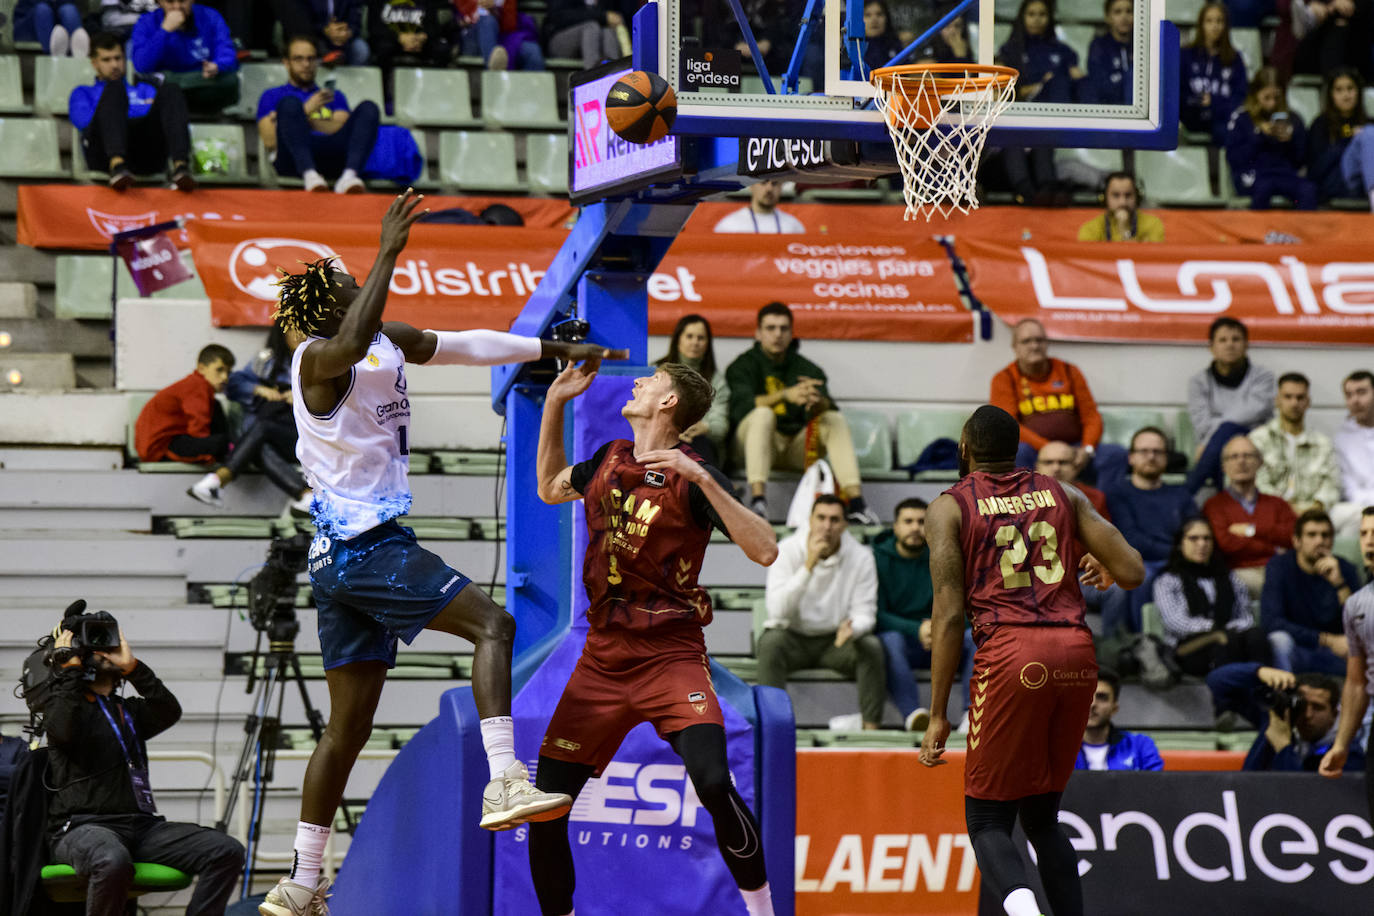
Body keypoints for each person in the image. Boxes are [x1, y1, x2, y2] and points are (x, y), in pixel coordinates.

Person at [257, 190, 616, 915]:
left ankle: (302, 879)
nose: (363, 282)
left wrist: (550, 349)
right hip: (364, 548)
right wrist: (390, 245)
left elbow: (459, 342)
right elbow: (353, 341)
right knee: (495, 625)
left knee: (348, 728)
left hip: (341, 561)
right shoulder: (316, 360)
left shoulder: (379, 337)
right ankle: (504, 778)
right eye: (352, 282)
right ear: (326, 307)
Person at [530, 358, 779, 916]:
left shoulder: (693, 476)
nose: (638, 382)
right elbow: (549, 488)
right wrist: (553, 404)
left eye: (653, 381)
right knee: (546, 805)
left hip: (671, 655)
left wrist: (707, 481)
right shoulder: (608, 458)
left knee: (714, 782)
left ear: (668, 404)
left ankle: (762, 911)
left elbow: (765, 549)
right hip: (603, 658)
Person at [919, 404, 1144, 916]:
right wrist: (1099, 563)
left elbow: (950, 617)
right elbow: (1131, 571)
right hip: (1076, 654)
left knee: (987, 821)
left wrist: (937, 714)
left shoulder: (949, 507)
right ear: (1017, 447)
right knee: (1042, 819)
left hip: (1013, 655)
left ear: (964, 448)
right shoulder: (1062, 492)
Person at [37, 610, 246, 916]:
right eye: (96, 645)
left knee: (227, 851)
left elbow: (169, 710)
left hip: (141, 828)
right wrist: (68, 667)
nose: (106, 650)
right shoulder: (65, 707)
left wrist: (133, 668)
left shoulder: (130, 711)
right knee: (111, 860)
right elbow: (63, 732)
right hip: (82, 828)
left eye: (107, 642)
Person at [726, 302, 877, 524]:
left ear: (792, 332)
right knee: (762, 414)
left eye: (783, 328)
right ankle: (758, 500)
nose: (777, 334)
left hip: (795, 448)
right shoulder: (742, 365)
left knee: (832, 419)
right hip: (753, 447)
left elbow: (828, 407)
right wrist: (785, 395)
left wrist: (816, 402)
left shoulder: (807, 368)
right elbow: (741, 408)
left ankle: (857, 504)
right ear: (758, 333)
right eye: (770, 328)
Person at [758, 495, 885, 730]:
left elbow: (865, 611)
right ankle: (772, 727)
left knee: (871, 647)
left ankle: (871, 730)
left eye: (835, 520)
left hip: (835, 641)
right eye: (821, 518)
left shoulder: (861, 556)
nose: (827, 526)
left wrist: (853, 629)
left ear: (845, 524)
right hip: (793, 637)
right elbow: (777, 611)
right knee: (769, 643)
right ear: (810, 520)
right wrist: (809, 566)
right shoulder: (786, 550)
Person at [200, 324, 312, 516]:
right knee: (257, 445)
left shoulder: (324, 359)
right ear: (282, 332)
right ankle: (306, 496)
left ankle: (218, 479)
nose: (300, 334)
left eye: (306, 327)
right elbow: (233, 384)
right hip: (277, 438)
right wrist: (259, 390)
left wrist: (303, 397)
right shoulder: (267, 361)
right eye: (293, 328)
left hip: (309, 439)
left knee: (262, 428)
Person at [988, 318, 1119, 482]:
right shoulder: (1004, 378)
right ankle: (1030, 507)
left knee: (1116, 454)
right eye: (1026, 341)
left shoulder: (1069, 371)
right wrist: (1048, 448)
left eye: (1039, 340)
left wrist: (1087, 448)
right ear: (1015, 347)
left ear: (1047, 343)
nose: (1034, 346)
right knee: (1017, 453)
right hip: (1034, 450)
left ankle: (1098, 506)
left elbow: (1091, 416)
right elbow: (1008, 427)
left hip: (1075, 448)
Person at [70, 31, 195, 192]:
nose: (114, 65)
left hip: (144, 154)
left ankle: (181, 167)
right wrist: (132, 108)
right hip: (103, 156)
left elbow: (166, 120)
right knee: (114, 88)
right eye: (106, 60)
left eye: (118, 58)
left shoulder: (145, 89)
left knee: (171, 90)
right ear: (94, 64)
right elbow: (84, 123)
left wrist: (126, 111)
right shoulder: (83, 93)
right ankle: (117, 165)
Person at [257, 36, 381, 194]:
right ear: (286, 63)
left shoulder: (332, 95)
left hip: (332, 156)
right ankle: (309, 174)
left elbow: (343, 130)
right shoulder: (272, 96)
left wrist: (297, 121)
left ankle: (349, 176)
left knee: (369, 108)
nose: (306, 64)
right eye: (298, 59)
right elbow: (269, 139)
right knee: (289, 104)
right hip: (292, 160)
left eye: (311, 59)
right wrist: (307, 109)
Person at [1104, 427, 1196, 635]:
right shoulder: (1118, 494)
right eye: (1144, 451)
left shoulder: (1180, 494)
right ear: (1131, 458)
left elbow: (1195, 529)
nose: (1151, 457)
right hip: (1143, 562)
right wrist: (1179, 552)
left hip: (1178, 560)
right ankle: (1144, 642)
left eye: (1158, 452)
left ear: (1166, 458)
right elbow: (1132, 540)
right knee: (1141, 575)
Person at [1153, 516, 1268, 676]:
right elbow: (1176, 623)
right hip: (1188, 646)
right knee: (1225, 640)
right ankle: (1226, 692)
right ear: (1180, 544)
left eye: (1207, 538)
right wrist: (1215, 627)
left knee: (1257, 637)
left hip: (1229, 635)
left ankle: (1263, 688)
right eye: (1194, 538)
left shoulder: (1228, 577)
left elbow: (1245, 615)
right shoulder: (1168, 580)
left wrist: (1230, 629)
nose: (1202, 544)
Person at [995, 0, 1083, 205]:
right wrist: (1029, 89)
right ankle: (1026, 190)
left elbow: (1078, 87)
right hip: (1012, 122)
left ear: (1049, 18)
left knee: (1043, 140)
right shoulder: (1008, 51)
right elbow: (999, 93)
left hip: (1049, 124)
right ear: (1022, 17)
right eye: (1031, 14)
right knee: (1013, 141)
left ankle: (1046, 188)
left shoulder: (1064, 52)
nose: (1036, 19)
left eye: (1042, 14)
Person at [1319, 507, 1374, 819]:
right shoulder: (1356, 605)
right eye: (1364, 533)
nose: (1369, 541)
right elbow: (1356, 682)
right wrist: (1341, 743)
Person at [1263, 508, 1361, 676]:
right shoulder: (1279, 567)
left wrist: (1339, 584)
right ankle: (1286, 698)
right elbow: (1272, 622)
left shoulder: (1345, 569)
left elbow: (1360, 624)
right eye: (1311, 535)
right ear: (1296, 541)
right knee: (1278, 640)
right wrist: (1326, 640)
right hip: (1298, 648)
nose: (1319, 541)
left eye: (1325, 535)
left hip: (1336, 654)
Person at [1185, 316, 1276, 493]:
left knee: (1226, 433)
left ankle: (1188, 492)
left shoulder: (1264, 377)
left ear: (1246, 344)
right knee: (1225, 441)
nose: (1230, 345)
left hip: (1256, 442)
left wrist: (1216, 433)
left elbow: (1254, 413)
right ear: (1211, 347)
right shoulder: (1198, 382)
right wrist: (1220, 433)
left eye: (1236, 339)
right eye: (1223, 340)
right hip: (1219, 448)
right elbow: (1202, 424)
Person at [1201, 434, 1297, 596]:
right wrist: (1273, 547)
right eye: (1234, 456)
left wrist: (1250, 531)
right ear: (1224, 466)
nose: (1241, 461)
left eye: (1248, 456)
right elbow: (1226, 544)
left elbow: (1293, 537)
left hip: (1279, 570)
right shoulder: (1214, 505)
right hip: (1238, 572)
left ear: (1259, 462)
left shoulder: (1278, 504)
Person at [1249, 371, 1345, 522]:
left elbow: (1332, 484)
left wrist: (1316, 507)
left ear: (1308, 402)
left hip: (1314, 512)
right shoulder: (1259, 439)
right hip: (1272, 511)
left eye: (1300, 398)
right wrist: (1288, 509)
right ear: (1277, 400)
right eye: (1288, 397)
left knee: (1354, 514)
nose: (1294, 403)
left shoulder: (1322, 443)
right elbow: (1258, 483)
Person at [1224, 66, 1318, 211]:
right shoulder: (1241, 119)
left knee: (1308, 191)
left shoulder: (1293, 119)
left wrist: (1290, 140)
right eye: (1266, 98)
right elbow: (1234, 158)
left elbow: (1300, 160)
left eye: (1277, 97)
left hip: (1284, 174)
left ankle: (1302, 233)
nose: (1272, 103)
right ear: (1255, 94)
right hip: (1253, 175)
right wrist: (1259, 136)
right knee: (1263, 189)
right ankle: (1257, 233)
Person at [129, 0, 239, 117]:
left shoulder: (210, 16)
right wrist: (164, 30)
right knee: (155, 84)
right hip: (166, 86)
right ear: (159, 2)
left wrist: (217, 66)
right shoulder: (146, 22)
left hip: (203, 83)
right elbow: (142, 65)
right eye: (170, 1)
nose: (177, 7)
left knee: (230, 80)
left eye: (182, 1)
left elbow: (227, 52)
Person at [134, 343, 235, 466]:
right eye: (219, 370)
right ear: (201, 368)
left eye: (228, 372)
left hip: (163, 444)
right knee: (223, 442)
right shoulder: (197, 386)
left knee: (216, 408)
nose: (225, 378)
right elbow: (198, 425)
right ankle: (232, 455)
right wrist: (208, 452)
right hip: (162, 448)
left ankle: (230, 452)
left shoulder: (197, 386)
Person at [1243, 670, 1365, 772]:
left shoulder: (1347, 753)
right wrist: (1259, 671)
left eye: (1318, 707)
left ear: (1334, 714)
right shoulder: (1283, 732)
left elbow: (1302, 795)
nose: (1308, 715)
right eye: (1302, 706)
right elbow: (1245, 782)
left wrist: (1284, 748)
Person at [654, 314, 729, 467]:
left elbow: (721, 426)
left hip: (701, 440)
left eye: (701, 338)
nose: (695, 342)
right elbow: (649, 413)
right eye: (689, 336)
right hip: (661, 439)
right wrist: (674, 430)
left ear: (708, 343)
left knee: (697, 444)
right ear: (678, 339)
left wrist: (705, 427)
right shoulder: (657, 372)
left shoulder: (717, 380)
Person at [1180, 1, 1249, 146]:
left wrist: (1214, 102)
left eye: (1219, 21)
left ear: (1226, 26)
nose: (1215, 26)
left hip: (1222, 120)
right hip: (1191, 117)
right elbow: (1178, 93)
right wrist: (1196, 101)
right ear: (1201, 24)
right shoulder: (1186, 55)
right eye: (1209, 21)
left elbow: (1240, 98)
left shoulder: (1234, 59)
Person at [1075, 669, 1163, 771]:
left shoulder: (1140, 746)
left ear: (1114, 708)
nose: (1092, 704)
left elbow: (1157, 785)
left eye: (1102, 697)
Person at [1306, 67, 1371, 204]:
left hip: (1363, 180)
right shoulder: (1321, 124)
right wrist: (1348, 140)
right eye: (1339, 90)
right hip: (1336, 182)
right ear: (1331, 94)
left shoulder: (1367, 122)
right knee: (1368, 135)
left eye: (1350, 88)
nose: (1346, 95)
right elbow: (1315, 171)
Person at [1290, 0, 1374, 81]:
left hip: (1355, 49)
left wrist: (1331, 8)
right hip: (1320, 49)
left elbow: (1350, 8)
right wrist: (1329, 7)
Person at [455, 0, 545, 71]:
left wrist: (495, 9)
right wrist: (482, 9)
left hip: (503, 36)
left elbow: (510, 24)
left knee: (532, 51)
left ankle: (531, 93)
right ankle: (494, 69)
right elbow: (463, 14)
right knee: (487, 21)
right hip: (473, 38)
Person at [369, 0, 455, 74]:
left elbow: (433, 26)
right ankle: (385, 90)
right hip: (390, 39)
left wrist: (423, 36)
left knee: (442, 49)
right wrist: (398, 37)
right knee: (383, 48)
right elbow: (374, 27)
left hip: (419, 41)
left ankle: (433, 87)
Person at [1075, 171, 1164, 242]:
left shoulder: (1153, 224)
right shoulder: (1090, 229)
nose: (1123, 202)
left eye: (1128, 195)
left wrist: (1124, 231)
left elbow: (1151, 259)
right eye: (1116, 195)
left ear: (1138, 197)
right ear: (1104, 198)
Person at [1336, 370, 1374, 534]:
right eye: (1349, 395)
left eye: (1361, 392)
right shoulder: (1340, 440)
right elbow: (1348, 489)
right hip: (1361, 509)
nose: (1355, 401)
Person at [541, 0, 630, 70]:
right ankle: (592, 77)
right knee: (591, 27)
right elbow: (559, 18)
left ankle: (614, 76)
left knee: (608, 31)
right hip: (559, 42)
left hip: (592, 41)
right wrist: (602, 16)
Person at [276, 0, 369, 65]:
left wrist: (348, 32)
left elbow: (356, 20)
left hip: (343, 38)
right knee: (308, 48)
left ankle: (352, 88)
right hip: (313, 36)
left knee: (361, 49)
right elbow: (301, 22)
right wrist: (325, 30)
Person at [1036, 441, 1109, 519]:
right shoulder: (1024, 497)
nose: (1056, 468)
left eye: (1063, 462)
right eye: (1048, 462)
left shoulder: (1095, 498)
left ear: (1076, 466)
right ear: (1037, 467)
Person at [1082, 0, 1133, 105]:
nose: (1124, 17)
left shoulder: (1142, 45)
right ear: (1108, 17)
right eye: (1117, 12)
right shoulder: (1099, 46)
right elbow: (1099, 84)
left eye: (1129, 11)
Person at [712, 179, 806, 233]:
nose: (769, 189)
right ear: (751, 185)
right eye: (763, 183)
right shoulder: (730, 226)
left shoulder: (794, 226)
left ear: (781, 187)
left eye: (775, 183)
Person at [13, 0, 88, 55]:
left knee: (69, 10)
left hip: (60, 24)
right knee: (42, 10)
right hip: (29, 24)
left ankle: (79, 56)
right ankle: (52, 54)